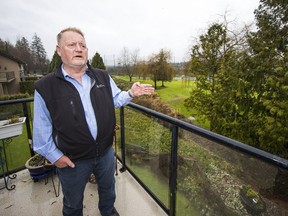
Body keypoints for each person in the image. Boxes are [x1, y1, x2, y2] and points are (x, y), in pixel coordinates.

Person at [32, 27, 154, 216]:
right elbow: (41, 133)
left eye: (83, 45)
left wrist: (130, 93)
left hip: (105, 153)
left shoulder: (102, 76)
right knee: (73, 204)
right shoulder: (45, 87)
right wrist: (57, 158)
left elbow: (115, 99)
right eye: (72, 45)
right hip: (73, 160)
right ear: (58, 50)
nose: (79, 49)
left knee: (108, 193)